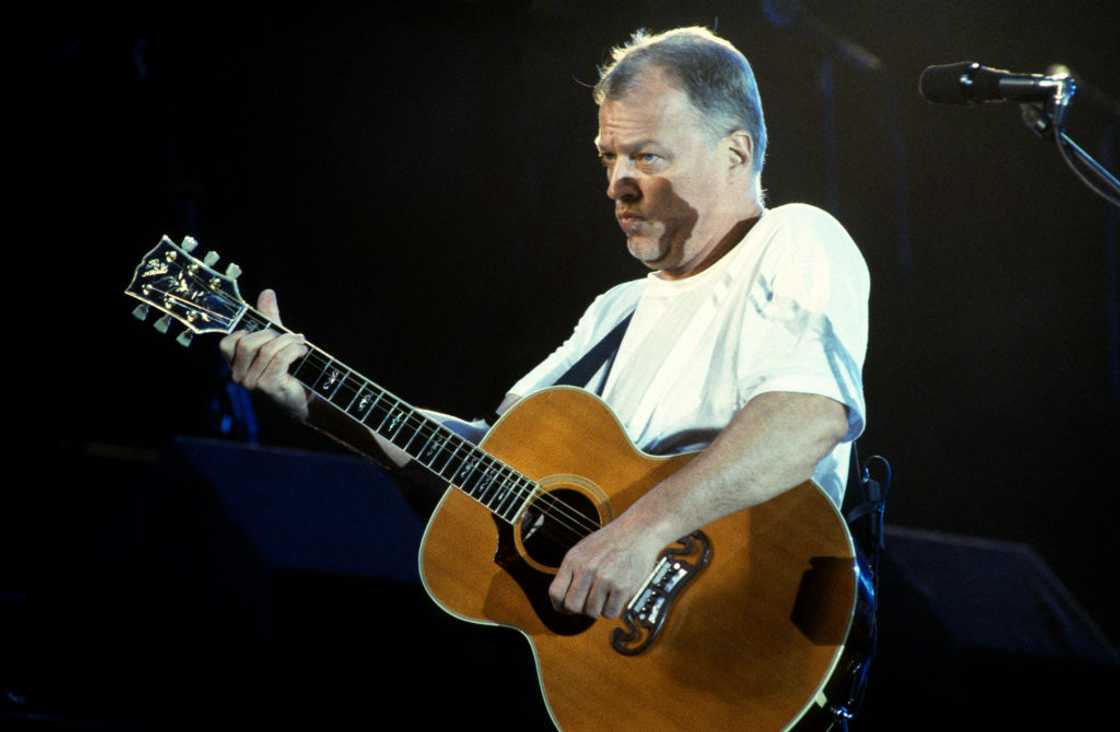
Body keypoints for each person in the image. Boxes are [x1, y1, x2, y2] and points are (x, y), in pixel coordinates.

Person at [219, 26, 869, 624]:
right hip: (604, 660)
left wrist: (639, 531)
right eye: (609, 156)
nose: (618, 183)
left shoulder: (794, 237)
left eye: (648, 157)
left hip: (746, 622)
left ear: (736, 153)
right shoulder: (616, 310)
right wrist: (309, 394)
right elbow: (488, 456)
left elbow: (807, 416)